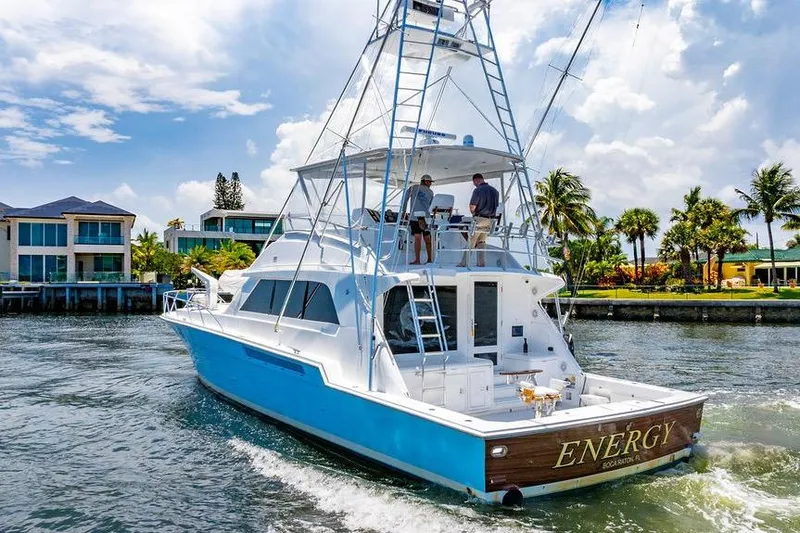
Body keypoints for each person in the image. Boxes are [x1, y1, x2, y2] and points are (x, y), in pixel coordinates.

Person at [458, 173, 499, 268]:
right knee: (482, 242)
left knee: (470, 240)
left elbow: (472, 207)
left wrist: (474, 215)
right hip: (490, 221)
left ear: (476, 180)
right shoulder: (495, 191)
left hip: (479, 219)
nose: (474, 185)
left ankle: (464, 263)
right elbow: (496, 206)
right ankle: (481, 263)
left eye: (474, 183)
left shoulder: (478, 190)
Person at [401, 174, 435, 264]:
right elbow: (432, 206)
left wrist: (403, 212)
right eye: (429, 182)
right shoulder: (431, 192)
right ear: (424, 181)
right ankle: (429, 260)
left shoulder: (413, 188)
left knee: (418, 238)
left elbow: (405, 199)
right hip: (426, 217)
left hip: (415, 216)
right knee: (427, 239)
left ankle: (418, 260)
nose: (430, 184)